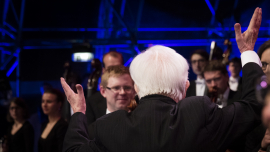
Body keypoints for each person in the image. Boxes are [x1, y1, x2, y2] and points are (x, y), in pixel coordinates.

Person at [61, 8, 263, 152]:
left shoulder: (109, 126)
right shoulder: (200, 113)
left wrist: (78, 112)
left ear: (136, 88)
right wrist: (247, 52)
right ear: (185, 87)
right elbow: (254, 106)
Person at [85, 51, 124, 125]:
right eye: (110, 68)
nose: (114, 72)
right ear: (103, 70)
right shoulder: (92, 102)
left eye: (118, 68)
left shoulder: (133, 97)